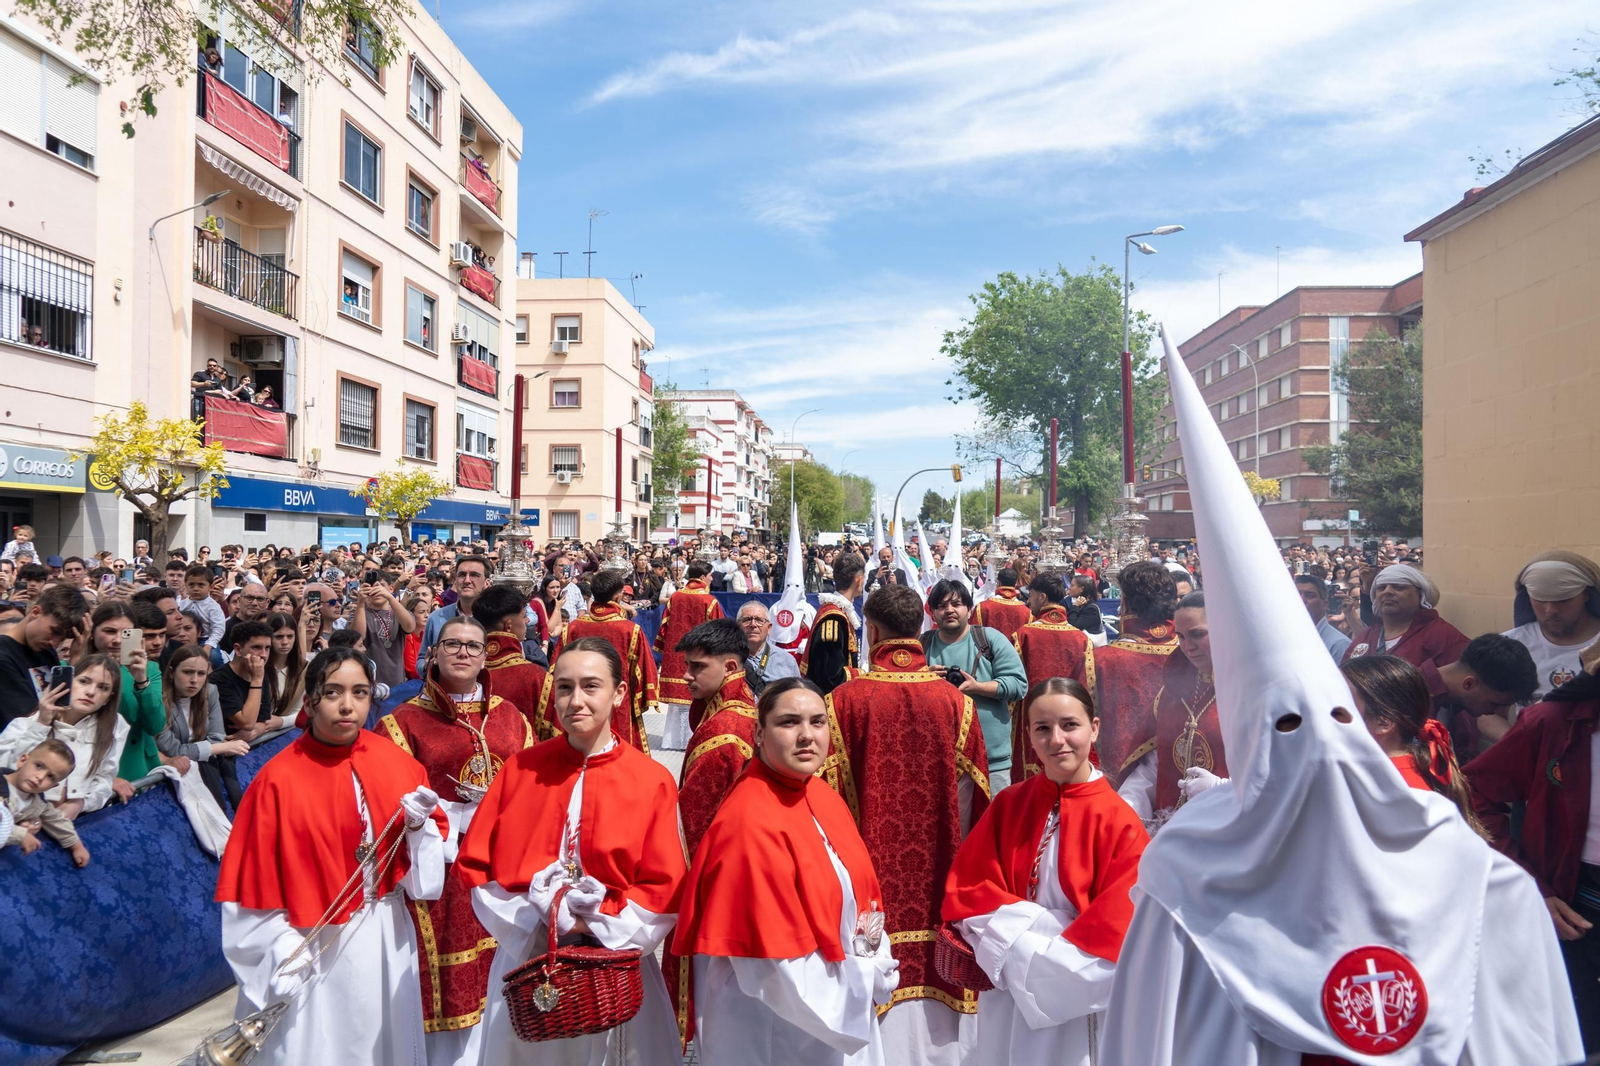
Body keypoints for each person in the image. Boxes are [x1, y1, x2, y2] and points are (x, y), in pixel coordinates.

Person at [1099, 326, 1581, 1066]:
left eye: (1334, 719)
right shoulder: (1187, 871)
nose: (1319, 744)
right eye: (1290, 726)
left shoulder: (1456, 857)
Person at [454, 637, 687, 1066]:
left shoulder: (652, 780)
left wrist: (590, 922)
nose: (575, 700)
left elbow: (665, 886)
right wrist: (541, 918)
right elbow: (479, 870)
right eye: (564, 687)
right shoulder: (520, 770)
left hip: (616, 964)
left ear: (619, 693)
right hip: (530, 959)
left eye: (591, 686)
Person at [215, 647, 447, 1066]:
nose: (347, 706)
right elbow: (252, 885)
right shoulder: (277, 781)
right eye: (333, 692)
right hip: (310, 941)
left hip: (385, 932)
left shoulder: (397, 763)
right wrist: (279, 947)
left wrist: (419, 830)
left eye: (360, 692)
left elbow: (423, 880)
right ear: (309, 702)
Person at [674, 677, 899, 1065]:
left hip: (837, 994)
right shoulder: (748, 822)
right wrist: (864, 980)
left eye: (817, 722)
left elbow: (858, 894)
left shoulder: (820, 793)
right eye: (789, 722)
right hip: (779, 1020)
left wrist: (874, 956)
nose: (807, 735)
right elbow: (769, 965)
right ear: (759, 734)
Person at [822, 584, 990, 1066]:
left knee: (870, 952)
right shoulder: (956, 702)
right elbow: (972, 797)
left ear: (872, 631)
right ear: (921, 627)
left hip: (866, 876)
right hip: (939, 868)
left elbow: (829, 796)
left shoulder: (843, 701)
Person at [942, 677, 1147, 1064]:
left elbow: (1121, 935)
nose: (1057, 740)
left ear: (1094, 728)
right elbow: (968, 894)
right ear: (1029, 737)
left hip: (1075, 1006)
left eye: (1070, 725)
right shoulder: (1009, 804)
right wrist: (1042, 932)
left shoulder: (1121, 823)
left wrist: (1021, 947)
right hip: (1006, 993)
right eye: (1042, 728)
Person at [377, 615, 532, 1062]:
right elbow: (392, 797)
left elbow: (531, 783)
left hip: (502, 864)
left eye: (473, 646)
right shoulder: (403, 722)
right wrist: (447, 817)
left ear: (485, 657)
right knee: (448, 976)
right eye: (452, 644)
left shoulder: (509, 716)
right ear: (434, 652)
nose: (463, 653)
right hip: (440, 869)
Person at [1115, 591, 1221, 826]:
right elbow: (1155, 765)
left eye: (1197, 634)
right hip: (1171, 830)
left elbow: (1279, 781)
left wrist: (1222, 789)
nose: (1187, 647)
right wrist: (1129, 805)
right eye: (1181, 636)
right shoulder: (1171, 694)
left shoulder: (1251, 695)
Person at [1339, 655, 1483, 829]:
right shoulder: (1379, 775)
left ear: (1382, 722)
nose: (1326, 710)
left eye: (1341, 702)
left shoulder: (1395, 790)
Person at [922, 579, 1028, 793]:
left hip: (991, 760)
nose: (949, 610)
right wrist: (922, 678)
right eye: (941, 606)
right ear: (932, 613)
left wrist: (977, 687)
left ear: (969, 609)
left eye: (956, 604)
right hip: (937, 760)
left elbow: (1019, 685)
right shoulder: (923, 645)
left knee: (994, 815)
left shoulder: (989, 639)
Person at [676, 619, 762, 859]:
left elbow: (693, 823)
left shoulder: (724, 731)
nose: (686, 676)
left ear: (730, 667)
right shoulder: (738, 707)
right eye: (687, 665)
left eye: (697, 666)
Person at [547, 568, 659, 752]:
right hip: (618, 704)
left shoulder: (573, 628)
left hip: (577, 703)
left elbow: (555, 671)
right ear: (618, 596)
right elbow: (644, 674)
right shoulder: (630, 630)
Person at [0, 653, 124, 817]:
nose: (91, 692)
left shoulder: (109, 731)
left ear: (108, 698)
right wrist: (41, 724)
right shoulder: (23, 725)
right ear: (68, 681)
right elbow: (7, 771)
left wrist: (80, 803)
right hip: (14, 820)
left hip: (71, 822)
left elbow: (104, 780)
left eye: (103, 688)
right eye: (84, 681)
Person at [1093, 561, 1180, 786]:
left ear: (1125, 604)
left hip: (1119, 786)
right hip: (1186, 784)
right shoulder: (1196, 654)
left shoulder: (1100, 660)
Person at [1009, 574, 1094, 784]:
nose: (1029, 601)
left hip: (1033, 720)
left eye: (1032, 596)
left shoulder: (1023, 635)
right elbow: (1087, 688)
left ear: (1042, 597)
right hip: (1070, 721)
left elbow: (1013, 687)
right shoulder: (1081, 638)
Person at [157, 643, 249, 813]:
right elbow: (173, 750)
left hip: (204, 763)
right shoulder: (158, 701)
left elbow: (216, 736)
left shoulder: (210, 691)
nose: (194, 680)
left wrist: (212, 748)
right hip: (175, 771)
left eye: (201, 674)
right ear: (171, 672)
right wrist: (219, 748)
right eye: (187, 672)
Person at [1502, 551, 1600, 703]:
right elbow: (1489, 710)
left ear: (1586, 594)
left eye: (1563, 600)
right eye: (1540, 600)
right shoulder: (1509, 645)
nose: (1550, 610)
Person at [1343, 562, 1469, 671]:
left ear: (1420, 596)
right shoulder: (1365, 636)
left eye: (1399, 587)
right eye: (1381, 588)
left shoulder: (1442, 635)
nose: (1387, 591)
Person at [0, 585, 84, 727]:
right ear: (35, 612)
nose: (55, 643)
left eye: (62, 638)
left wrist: (76, 657)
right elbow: (27, 721)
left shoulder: (46, 650)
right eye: (54, 631)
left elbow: (61, 703)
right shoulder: (3, 656)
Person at [470, 584, 549, 736]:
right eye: (523, 617)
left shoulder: (462, 670)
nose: (526, 622)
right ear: (508, 626)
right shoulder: (536, 677)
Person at [3, 739, 91, 865]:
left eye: (50, 777)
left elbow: (58, 821)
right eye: (39, 766)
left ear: (53, 786)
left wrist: (77, 846)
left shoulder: (39, 803)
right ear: (23, 760)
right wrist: (21, 835)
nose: (40, 777)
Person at [655, 561, 723, 711]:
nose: (712, 579)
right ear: (702, 577)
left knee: (676, 712)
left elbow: (664, 627)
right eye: (710, 575)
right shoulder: (709, 601)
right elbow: (719, 634)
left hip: (676, 658)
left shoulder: (675, 597)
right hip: (699, 660)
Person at [415, 555, 491, 675]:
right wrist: (427, 666)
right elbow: (421, 660)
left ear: (487, 583)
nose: (467, 580)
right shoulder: (436, 617)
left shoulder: (495, 619)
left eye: (474, 575)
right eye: (462, 575)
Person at [215, 620, 291, 740]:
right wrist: (256, 680)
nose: (264, 655)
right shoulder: (219, 679)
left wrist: (255, 731)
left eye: (267, 648)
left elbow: (263, 722)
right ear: (238, 650)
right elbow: (247, 723)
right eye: (256, 647)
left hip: (250, 744)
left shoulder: (260, 676)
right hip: (223, 745)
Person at [804, 552, 866, 696]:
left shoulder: (839, 611)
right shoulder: (833, 618)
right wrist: (862, 674)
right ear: (859, 580)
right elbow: (830, 675)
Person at [736, 600, 800, 697]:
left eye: (759, 620)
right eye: (747, 620)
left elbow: (797, 697)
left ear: (769, 628)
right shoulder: (727, 658)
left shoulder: (787, 661)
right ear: (737, 626)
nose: (753, 624)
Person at [1295, 573, 1351, 662]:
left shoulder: (1339, 644)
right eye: (1296, 595)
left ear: (1325, 604)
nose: (1301, 600)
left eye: (1310, 596)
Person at [970, 568, 1031, 643]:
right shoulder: (1027, 612)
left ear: (998, 583)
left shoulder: (982, 607)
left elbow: (973, 635)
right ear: (1015, 584)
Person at [176, 563, 225, 651]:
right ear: (185, 585)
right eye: (191, 585)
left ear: (210, 587)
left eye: (201, 585)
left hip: (206, 639)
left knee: (214, 656)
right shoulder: (181, 604)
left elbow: (218, 628)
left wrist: (209, 645)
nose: (195, 588)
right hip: (183, 637)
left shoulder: (213, 607)